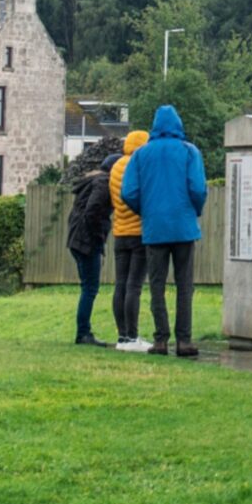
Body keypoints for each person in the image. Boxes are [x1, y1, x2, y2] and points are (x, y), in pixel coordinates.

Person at [118, 103, 207, 357]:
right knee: (184, 285)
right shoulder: (190, 152)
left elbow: (128, 192)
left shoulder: (140, 155)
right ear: (178, 124)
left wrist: (146, 210)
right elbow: (198, 189)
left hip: (154, 228)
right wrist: (194, 210)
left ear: (155, 126)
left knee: (157, 285)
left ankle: (160, 340)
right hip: (183, 227)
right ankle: (184, 340)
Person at [106, 126, 152, 348]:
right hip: (138, 232)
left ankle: (122, 336)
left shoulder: (115, 166)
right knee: (134, 286)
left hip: (119, 231)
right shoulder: (140, 165)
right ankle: (133, 337)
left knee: (120, 284)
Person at [64, 147, 114, 347]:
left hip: (76, 239)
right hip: (86, 241)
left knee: (87, 286)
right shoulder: (103, 184)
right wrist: (99, 236)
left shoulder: (91, 182)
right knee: (90, 288)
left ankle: (83, 332)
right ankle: (83, 333)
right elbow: (92, 211)